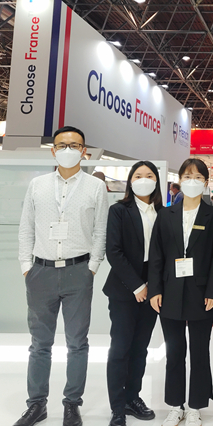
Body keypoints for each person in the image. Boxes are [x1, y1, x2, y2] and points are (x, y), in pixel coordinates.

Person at [16, 126, 109, 426]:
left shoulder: (95, 187)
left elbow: (100, 231)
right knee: (39, 343)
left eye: (75, 145)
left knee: (77, 343)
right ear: (53, 150)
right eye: (62, 145)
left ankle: (72, 404)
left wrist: (92, 267)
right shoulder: (38, 185)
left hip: (78, 272)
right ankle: (36, 404)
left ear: (84, 151)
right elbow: (26, 228)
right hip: (40, 272)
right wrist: (26, 266)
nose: (68, 149)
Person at [147, 158, 213, 426]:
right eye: (187, 176)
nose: (192, 181)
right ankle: (175, 405)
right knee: (175, 351)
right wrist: (155, 289)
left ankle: (195, 406)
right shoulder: (166, 215)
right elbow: (156, 255)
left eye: (198, 177)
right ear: (179, 180)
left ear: (206, 182)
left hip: (202, 293)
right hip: (170, 291)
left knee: (200, 351)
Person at [103, 161, 164, 426]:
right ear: (130, 181)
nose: (143, 179)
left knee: (140, 348)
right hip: (125, 288)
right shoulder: (119, 210)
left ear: (156, 181)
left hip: (153, 290)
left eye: (149, 175)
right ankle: (117, 407)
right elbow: (113, 251)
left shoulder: (163, 212)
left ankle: (133, 397)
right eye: (138, 175)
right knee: (120, 348)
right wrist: (138, 286)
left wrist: (153, 287)